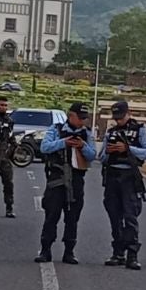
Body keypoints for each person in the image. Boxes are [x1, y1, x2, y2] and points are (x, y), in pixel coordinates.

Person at [35, 103, 96, 264]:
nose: (82, 121)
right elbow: (45, 147)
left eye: (84, 118)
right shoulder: (56, 129)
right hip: (56, 178)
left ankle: (69, 251)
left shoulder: (87, 133)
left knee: (72, 218)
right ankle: (45, 250)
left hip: (76, 180)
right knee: (51, 216)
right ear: (71, 116)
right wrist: (64, 142)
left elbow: (92, 155)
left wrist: (82, 146)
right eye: (80, 118)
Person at [101, 101, 146, 270]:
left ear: (128, 113)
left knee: (130, 216)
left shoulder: (140, 129)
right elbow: (101, 156)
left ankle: (132, 254)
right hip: (112, 175)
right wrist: (108, 152)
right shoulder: (111, 132)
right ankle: (118, 253)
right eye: (116, 118)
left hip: (129, 176)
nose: (119, 121)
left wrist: (127, 149)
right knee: (114, 215)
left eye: (121, 117)